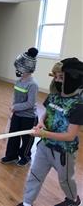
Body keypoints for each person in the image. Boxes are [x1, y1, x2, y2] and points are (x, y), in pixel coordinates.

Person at [17, 57, 83, 206]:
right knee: (35, 175)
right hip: (45, 145)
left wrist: (43, 133)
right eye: (56, 77)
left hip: (63, 152)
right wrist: (40, 123)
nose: (57, 81)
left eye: (61, 77)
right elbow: (47, 113)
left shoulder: (79, 105)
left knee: (65, 180)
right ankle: (27, 203)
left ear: (73, 79)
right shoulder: (53, 95)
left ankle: (73, 200)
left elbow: (70, 136)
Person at [1, 47, 39, 166]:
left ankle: (25, 156)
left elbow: (30, 103)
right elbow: (16, 98)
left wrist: (16, 107)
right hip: (17, 114)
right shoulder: (18, 82)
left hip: (28, 117)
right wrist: (14, 108)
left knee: (26, 139)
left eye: (19, 68)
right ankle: (11, 155)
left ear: (27, 69)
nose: (17, 70)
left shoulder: (32, 85)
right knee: (13, 136)